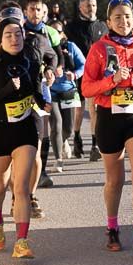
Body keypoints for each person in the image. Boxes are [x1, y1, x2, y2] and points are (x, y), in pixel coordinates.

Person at [81, 0, 133, 256]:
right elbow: (86, 88)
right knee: (115, 179)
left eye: (127, 16)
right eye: (117, 17)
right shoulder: (99, 48)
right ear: (109, 22)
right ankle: (113, 228)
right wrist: (112, 81)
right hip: (109, 116)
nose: (123, 21)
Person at [0, 5, 52, 259]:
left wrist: (42, 102)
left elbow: (36, 89)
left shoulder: (31, 60)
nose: (14, 38)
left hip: (25, 130)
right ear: (0, 37)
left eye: (17, 34)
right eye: (8, 34)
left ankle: (22, 241)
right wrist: (6, 90)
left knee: (21, 188)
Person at [22, 0, 59, 211]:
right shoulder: (16, 31)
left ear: (43, 12)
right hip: (17, 96)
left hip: (40, 93)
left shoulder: (47, 34)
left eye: (39, 10)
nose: (35, 13)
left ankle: (32, 193)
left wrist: (51, 70)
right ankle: (17, 196)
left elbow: (56, 56)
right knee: (17, 150)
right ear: (25, 11)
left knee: (39, 143)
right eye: (32, 9)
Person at [66, 0, 110, 160]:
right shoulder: (72, 27)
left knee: (94, 109)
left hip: (98, 73)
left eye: (93, 5)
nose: (91, 8)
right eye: (87, 6)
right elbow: (67, 49)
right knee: (79, 109)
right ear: (80, 8)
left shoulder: (103, 26)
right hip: (78, 71)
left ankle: (94, 144)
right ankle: (76, 136)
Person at [48, 30, 86, 174]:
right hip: (50, 91)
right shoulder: (44, 46)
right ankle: (58, 160)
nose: (55, 35)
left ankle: (62, 141)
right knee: (56, 124)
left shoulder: (70, 47)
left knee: (68, 129)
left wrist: (75, 74)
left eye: (58, 32)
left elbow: (83, 64)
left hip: (68, 90)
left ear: (63, 34)